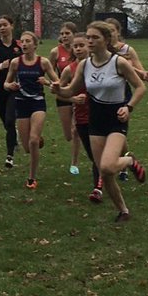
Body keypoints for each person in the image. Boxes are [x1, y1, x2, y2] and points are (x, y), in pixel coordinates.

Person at [55, 21, 147, 222]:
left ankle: (130, 161)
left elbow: (140, 87)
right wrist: (57, 90)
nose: (89, 41)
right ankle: (123, 210)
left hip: (116, 119)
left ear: (106, 40)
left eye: (94, 37)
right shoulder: (84, 65)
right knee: (104, 174)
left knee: (107, 166)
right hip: (94, 122)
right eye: (88, 37)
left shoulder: (119, 63)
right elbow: (70, 90)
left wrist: (129, 107)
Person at [3, 31, 56, 190]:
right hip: (21, 103)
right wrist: (10, 86)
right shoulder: (15, 62)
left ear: (35, 44)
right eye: (22, 42)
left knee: (32, 140)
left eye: (27, 41)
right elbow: (6, 83)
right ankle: (37, 140)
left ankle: (32, 178)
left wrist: (45, 82)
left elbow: (57, 83)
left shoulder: (43, 62)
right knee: (27, 147)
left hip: (38, 102)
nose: (24, 44)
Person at [58, 33, 101, 202]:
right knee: (93, 156)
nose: (78, 49)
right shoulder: (69, 70)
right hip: (82, 117)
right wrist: (72, 99)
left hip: (100, 114)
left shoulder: (99, 64)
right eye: (75, 46)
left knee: (99, 156)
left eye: (81, 45)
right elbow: (59, 94)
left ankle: (98, 188)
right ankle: (123, 164)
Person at [0, 15, 22, 171]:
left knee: (9, 120)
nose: (2, 28)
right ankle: (13, 136)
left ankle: (10, 157)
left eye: (5, 25)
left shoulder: (20, 45)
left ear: (11, 26)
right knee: (6, 123)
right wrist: (1, 66)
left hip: (15, 88)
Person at [48, 21, 81, 175]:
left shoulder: (82, 50)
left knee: (76, 130)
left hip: (79, 93)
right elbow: (49, 71)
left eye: (67, 33)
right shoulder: (56, 52)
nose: (64, 36)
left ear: (74, 34)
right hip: (63, 94)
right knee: (68, 134)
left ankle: (74, 162)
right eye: (61, 34)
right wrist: (53, 84)